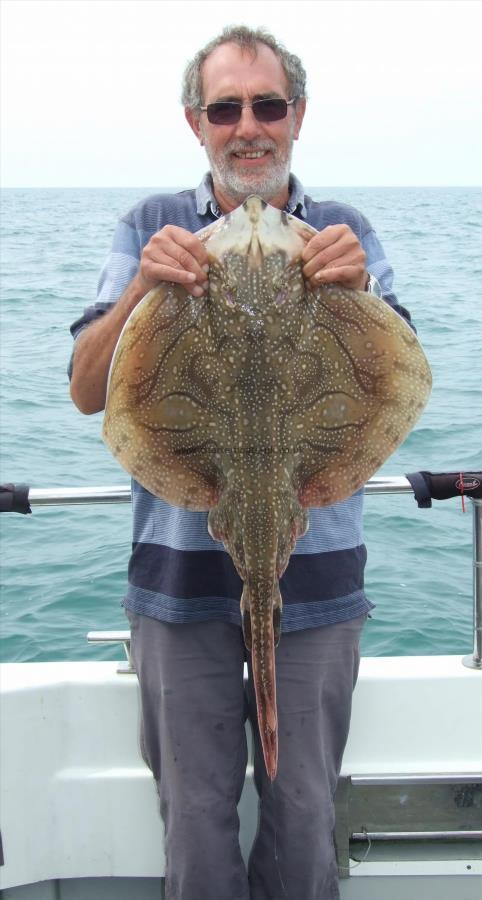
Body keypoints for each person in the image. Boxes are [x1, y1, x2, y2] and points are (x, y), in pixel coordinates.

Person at [69, 25, 412, 900]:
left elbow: (401, 375)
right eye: (227, 108)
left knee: (303, 817)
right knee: (194, 818)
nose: (248, 125)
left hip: (321, 571)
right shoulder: (149, 226)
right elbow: (85, 389)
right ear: (197, 122)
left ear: (296, 115)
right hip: (180, 579)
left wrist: (359, 289)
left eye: (267, 104)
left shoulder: (346, 231)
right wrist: (145, 289)